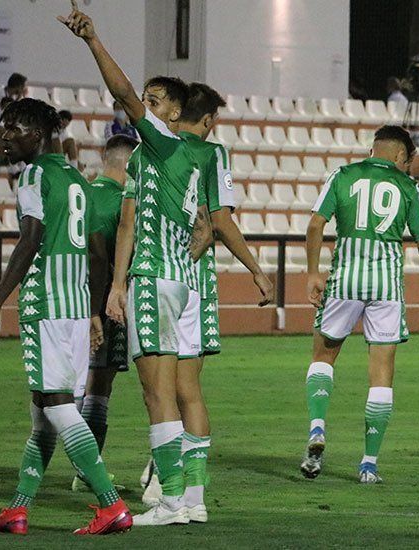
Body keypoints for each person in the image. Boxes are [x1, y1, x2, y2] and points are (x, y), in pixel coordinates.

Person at [60, 5, 215, 526]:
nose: (141, 106)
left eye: (154, 102)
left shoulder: (165, 144)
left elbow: (122, 93)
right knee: (172, 389)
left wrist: (93, 41)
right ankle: (192, 499)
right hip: (173, 279)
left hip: (157, 280)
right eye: (145, 101)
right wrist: (117, 284)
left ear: (173, 114)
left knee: (155, 394)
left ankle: (170, 501)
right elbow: (150, 225)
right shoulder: (162, 159)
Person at [0, 98, 132, 535]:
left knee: (56, 404)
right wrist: (92, 311)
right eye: (4, 127)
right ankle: (19, 507)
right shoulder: (74, 177)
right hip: (74, 306)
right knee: (43, 410)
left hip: (45, 304)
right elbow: (97, 253)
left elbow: (30, 240)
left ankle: (111, 504)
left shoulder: (34, 174)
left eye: (16, 127)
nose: (5, 136)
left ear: (40, 133)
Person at [141, 82, 275, 520]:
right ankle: (192, 497)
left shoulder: (156, 149)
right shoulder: (214, 154)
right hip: (196, 281)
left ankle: (167, 483)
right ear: (210, 120)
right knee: (187, 389)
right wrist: (256, 269)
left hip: (162, 270)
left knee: (161, 389)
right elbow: (220, 222)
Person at [300, 125, 419, 484]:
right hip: (386, 285)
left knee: (323, 356)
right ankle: (368, 464)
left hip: (345, 277)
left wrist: (313, 272)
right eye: (408, 161)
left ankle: (317, 427)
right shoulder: (409, 186)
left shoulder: (343, 174)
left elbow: (316, 224)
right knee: (381, 374)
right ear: (400, 156)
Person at [69, 134, 138, 496]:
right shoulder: (123, 202)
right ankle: (87, 469)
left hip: (66, 302)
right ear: (128, 165)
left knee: (67, 389)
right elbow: (109, 260)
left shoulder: (80, 193)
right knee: (99, 389)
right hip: (101, 305)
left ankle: (79, 466)